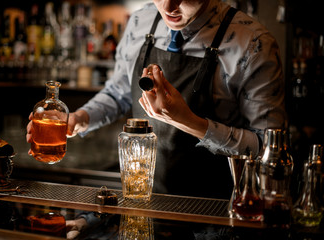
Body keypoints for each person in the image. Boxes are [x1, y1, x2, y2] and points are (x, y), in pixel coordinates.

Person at [27, 0, 285, 199]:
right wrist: (78, 119)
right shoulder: (141, 20)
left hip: (213, 212)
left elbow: (267, 149)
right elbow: (118, 92)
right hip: (142, 201)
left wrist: (188, 121)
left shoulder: (254, 44)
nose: (169, 7)